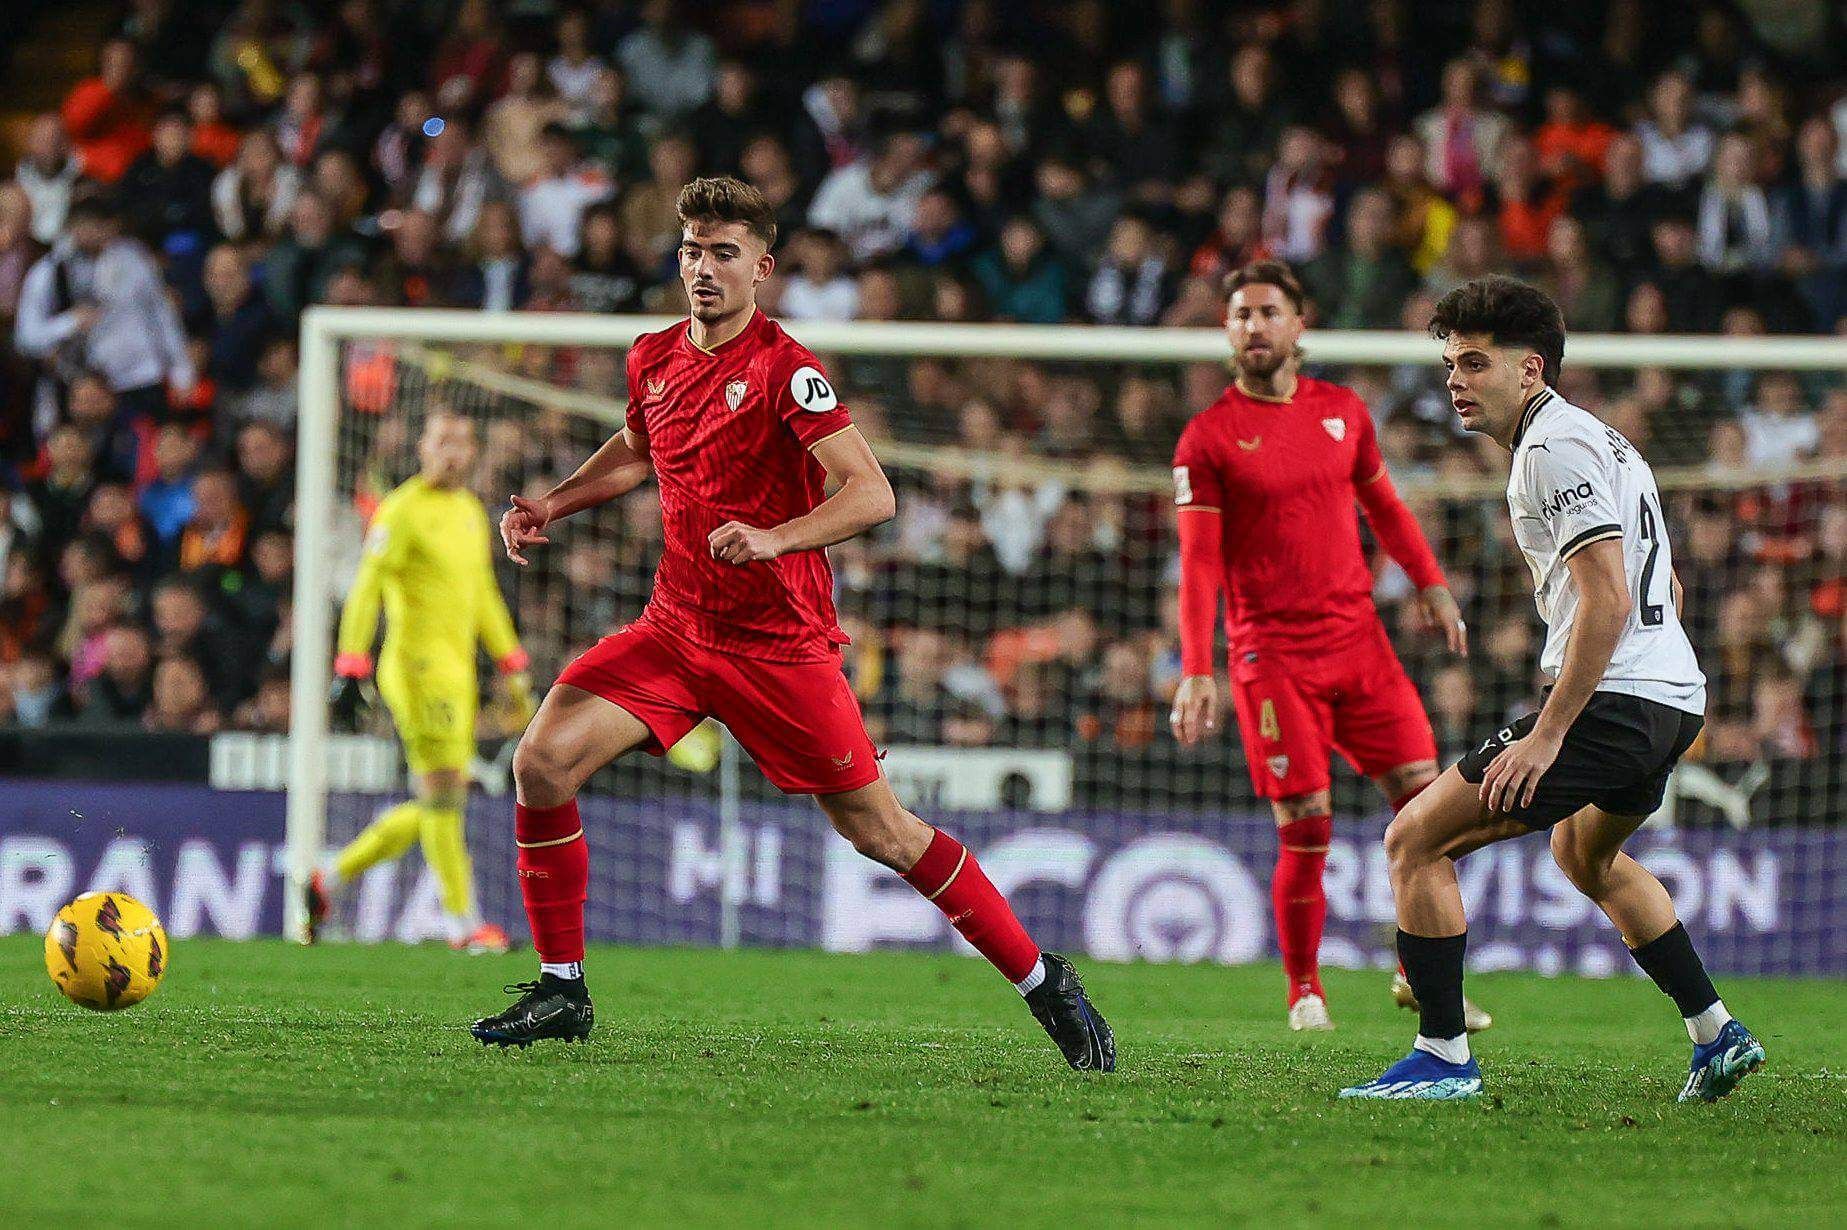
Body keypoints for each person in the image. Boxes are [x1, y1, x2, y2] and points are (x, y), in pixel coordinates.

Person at [470, 176, 1114, 1072]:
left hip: (777, 649)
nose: (703, 267)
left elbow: (872, 493)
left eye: (723, 253)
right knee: (538, 760)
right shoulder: (653, 355)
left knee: (882, 834)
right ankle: (561, 988)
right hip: (675, 629)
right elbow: (637, 449)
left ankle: (1044, 981)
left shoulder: (786, 369)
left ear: (761, 270)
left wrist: (775, 538)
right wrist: (555, 502)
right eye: (692, 249)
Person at [1340, 277, 1762, 1101]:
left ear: (1529, 369)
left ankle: (1441, 1056)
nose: (1454, 380)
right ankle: (1715, 1033)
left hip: (1614, 701)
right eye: (1449, 363)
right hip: (1671, 698)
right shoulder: (1605, 443)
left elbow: (1606, 595)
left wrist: (1547, 732)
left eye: (1473, 362)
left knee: (1413, 840)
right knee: (1584, 854)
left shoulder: (1550, 449)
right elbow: (1663, 591)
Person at [1168, 260, 1488, 1035]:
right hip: (1271, 658)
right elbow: (1199, 563)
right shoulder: (1206, 438)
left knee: (1432, 812)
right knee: (1306, 826)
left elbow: (1383, 503)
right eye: (1240, 314)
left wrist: (1430, 582)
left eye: (1267, 312)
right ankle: (1303, 990)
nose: (1253, 327)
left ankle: (1420, 977)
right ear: (1226, 330)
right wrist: (1196, 668)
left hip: (1359, 646)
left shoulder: (1343, 411)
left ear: (1298, 323)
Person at [307, 412, 535, 955]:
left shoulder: (470, 511)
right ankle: (462, 925)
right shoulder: (402, 509)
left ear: (474, 452)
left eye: (461, 442)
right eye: (440, 442)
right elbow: (367, 586)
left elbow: (481, 592)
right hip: (414, 670)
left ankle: (329, 877)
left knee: (441, 797)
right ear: (421, 448)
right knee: (443, 794)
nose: (451, 452)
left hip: (457, 676)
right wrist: (350, 662)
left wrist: (512, 661)